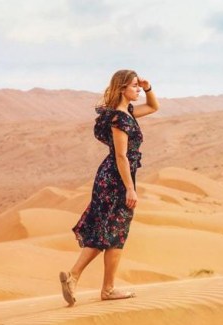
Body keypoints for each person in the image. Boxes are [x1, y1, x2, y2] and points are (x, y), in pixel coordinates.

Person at [59, 69, 160, 307]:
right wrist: (129, 189)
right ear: (122, 88)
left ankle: (87, 281)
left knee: (109, 232)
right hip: (116, 180)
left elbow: (154, 107)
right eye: (134, 86)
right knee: (114, 233)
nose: (137, 89)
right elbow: (121, 156)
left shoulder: (125, 113)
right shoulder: (120, 119)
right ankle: (99, 285)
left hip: (112, 178)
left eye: (138, 86)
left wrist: (148, 87)